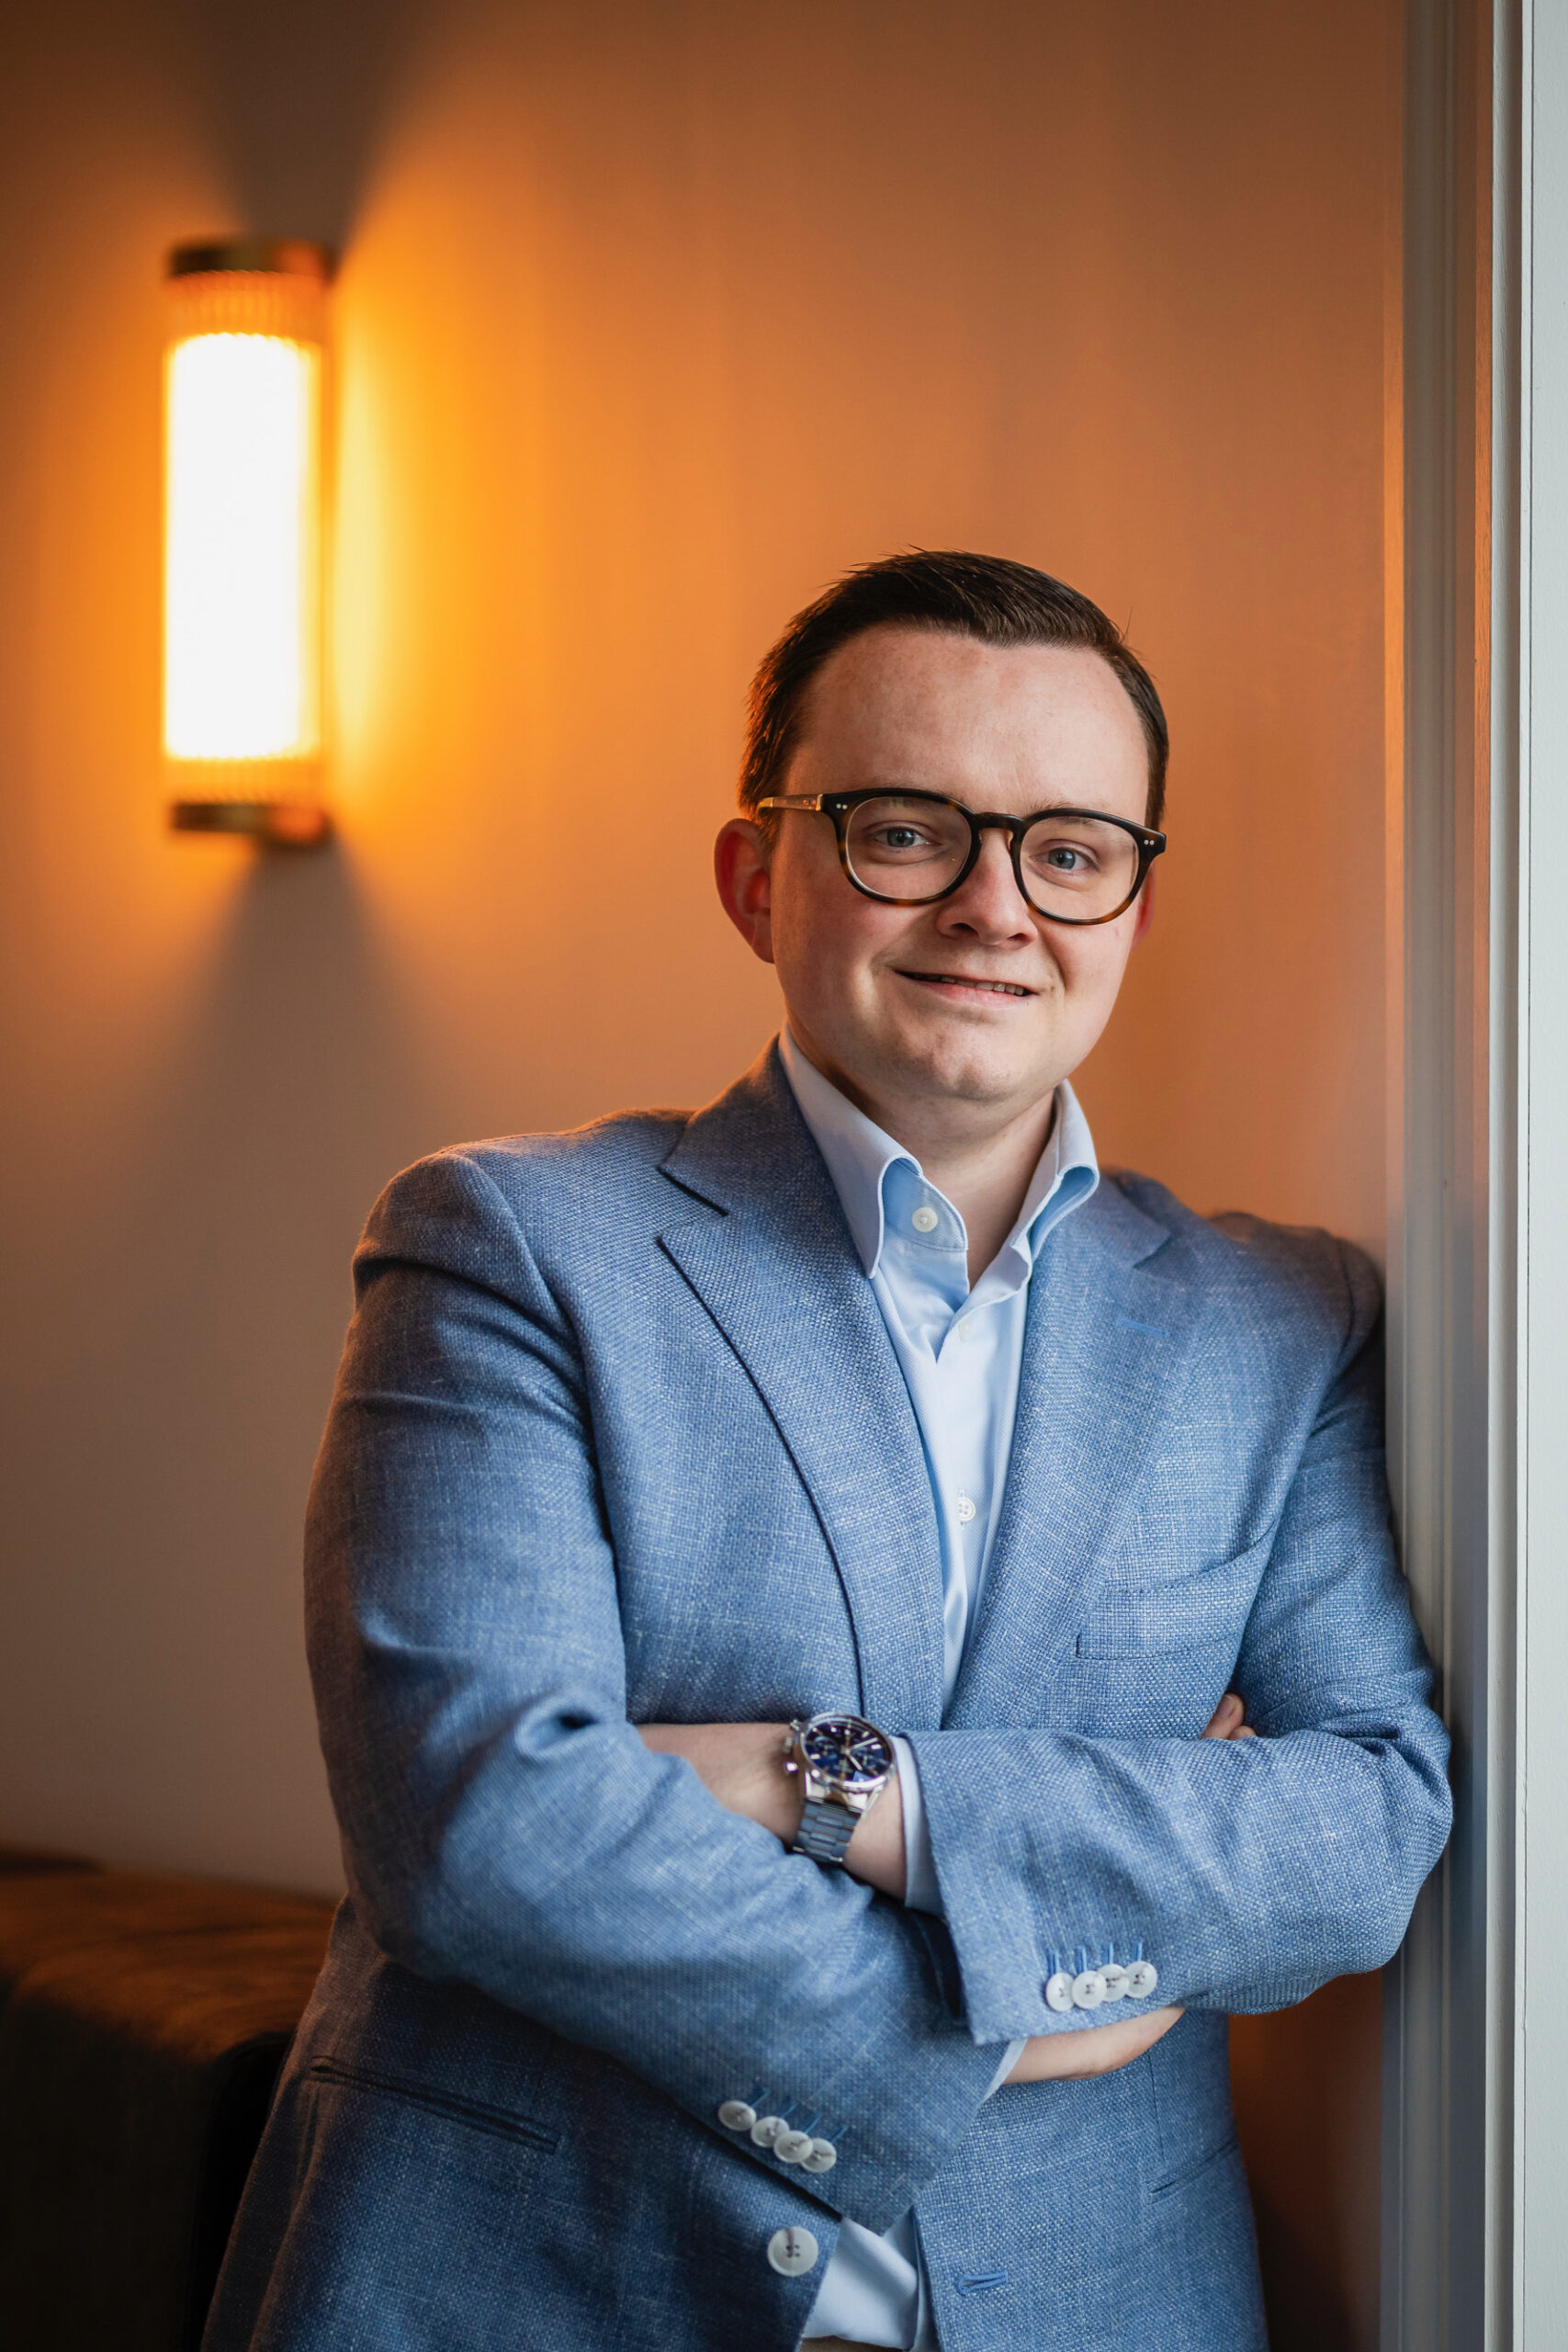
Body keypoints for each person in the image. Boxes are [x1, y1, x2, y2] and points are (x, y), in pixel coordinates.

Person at [203, 551, 1451, 2352]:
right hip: (528, 2282)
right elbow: (477, 1817)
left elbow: (1361, 1816)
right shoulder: (504, 1244)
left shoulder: (1282, 1318)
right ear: (753, 872)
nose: (993, 906)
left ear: (1130, 907)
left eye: (1069, 848)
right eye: (903, 831)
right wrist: (992, 2010)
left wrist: (824, 1779)